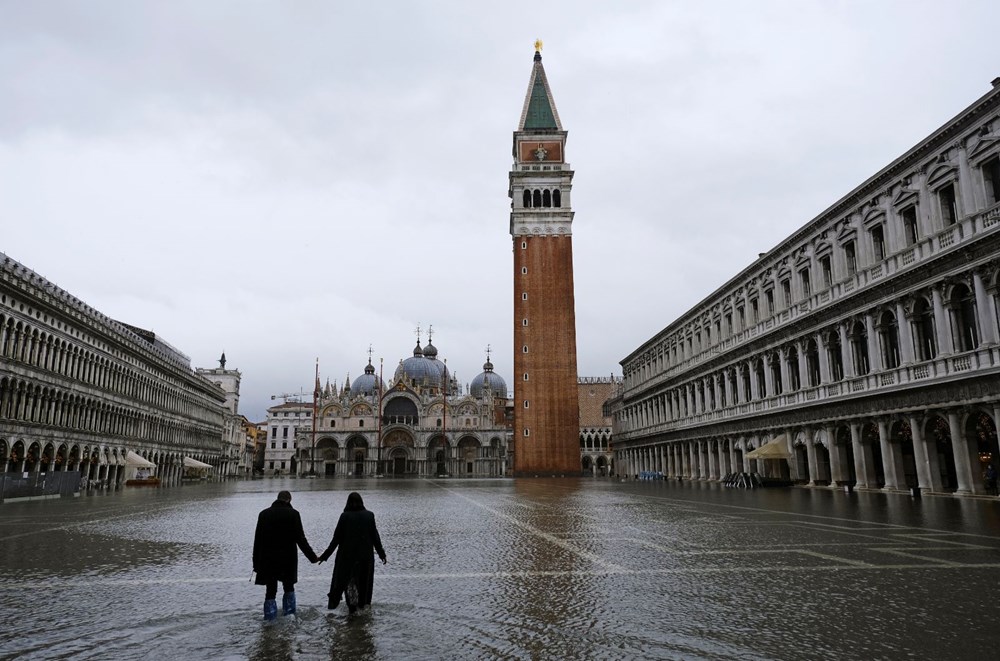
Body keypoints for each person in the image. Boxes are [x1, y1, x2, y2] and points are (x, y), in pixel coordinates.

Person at [252, 490, 318, 620]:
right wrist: (313, 557)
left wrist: (256, 563)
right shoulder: (293, 514)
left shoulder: (264, 514)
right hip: (287, 558)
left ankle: (269, 620)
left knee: (270, 590)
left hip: (268, 559)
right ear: (289, 500)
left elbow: (257, 541)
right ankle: (290, 616)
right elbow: (301, 539)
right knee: (288, 587)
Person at [318, 492, 387, 614]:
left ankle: (352, 608)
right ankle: (363, 606)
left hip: (347, 557)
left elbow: (336, 539)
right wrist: (381, 554)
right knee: (364, 582)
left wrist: (325, 556)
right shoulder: (369, 516)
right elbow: (375, 537)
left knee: (349, 582)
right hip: (365, 557)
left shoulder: (345, 516)